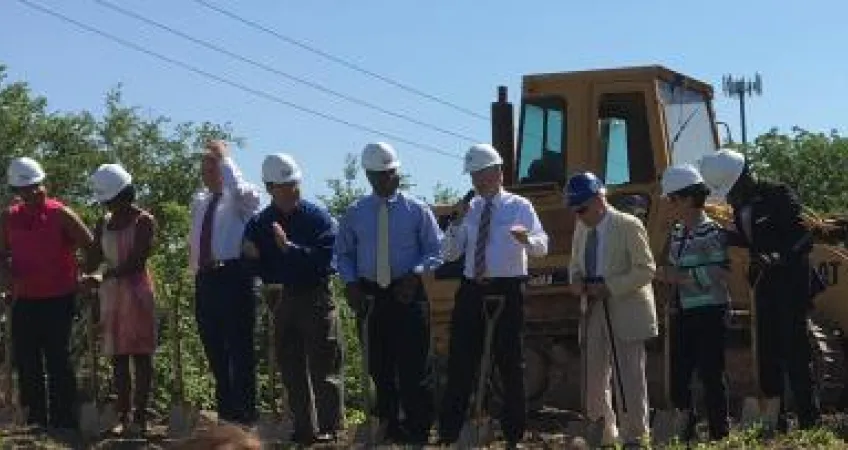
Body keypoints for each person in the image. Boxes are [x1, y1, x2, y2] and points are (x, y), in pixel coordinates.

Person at [699, 148, 822, 429]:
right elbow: (750, 238)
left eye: (732, 190)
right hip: (764, 285)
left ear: (744, 177)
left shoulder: (778, 195)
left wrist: (778, 257)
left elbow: (804, 236)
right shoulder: (741, 206)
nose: (730, 198)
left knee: (795, 350)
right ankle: (774, 417)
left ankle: (809, 419)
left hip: (791, 284)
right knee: (767, 351)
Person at [437, 143, 549, 447]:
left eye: (482, 174)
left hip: (508, 289)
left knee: (510, 362)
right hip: (472, 289)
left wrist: (526, 239)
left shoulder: (519, 206)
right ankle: (451, 431)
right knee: (461, 361)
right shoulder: (468, 209)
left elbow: (542, 246)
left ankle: (513, 432)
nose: (476, 181)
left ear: (498, 174)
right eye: (473, 175)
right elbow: (449, 253)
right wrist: (455, 222)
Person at [335, 142, 443, 444]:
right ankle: (389, 425)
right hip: (371, 297)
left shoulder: (417, 210)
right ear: (369, 176)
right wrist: (351, 283)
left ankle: (418, 430)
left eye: (392, 173)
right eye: (381, 175)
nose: (388, 179)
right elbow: (342, 253)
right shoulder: (355, 213)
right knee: (379, 368)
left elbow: (436, 250)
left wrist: (416, 274)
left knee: (413, 367)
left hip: (407, 295)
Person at [242, 153, 343, 445]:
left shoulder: (317, 218)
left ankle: (329, 428)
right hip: (282, 299)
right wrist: (251, 256)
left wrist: (289, 248)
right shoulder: (261, 222)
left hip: (315, 296)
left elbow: (326, 260)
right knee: (291, 368)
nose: (291, 190)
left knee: (324, 367)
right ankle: (303, 429)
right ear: (269, 187)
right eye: (283, 185)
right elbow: (253, 259)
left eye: (294, 183)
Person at [565, 171, 657, 448]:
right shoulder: (581, 227)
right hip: (592, 308)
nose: (579, 215)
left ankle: (636, 437)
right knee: (594, 377)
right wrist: (576, 280)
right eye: (574, 210)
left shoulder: (628, 225)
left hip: (625, 308)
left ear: (598, 200)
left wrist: (611, 286)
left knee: (629, 376)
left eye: (582, 208)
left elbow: (646, 269)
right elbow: (574, 263)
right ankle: (604, 434)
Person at [0, 156, 93, 429]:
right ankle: (35, 418)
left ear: (43, 184)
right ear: (17, 192)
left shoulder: (60, 213)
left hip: (59, 298)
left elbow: (90, 244)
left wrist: (89, 275)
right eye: (26, 188)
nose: (33, 192)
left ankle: (64, 418)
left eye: (36, 186)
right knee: (27, 359)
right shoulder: (7, 218)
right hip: (24, 300)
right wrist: (6, 279)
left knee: (58, 358)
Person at [656, 164, 730, 440]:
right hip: (683, 311)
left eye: (672, 200)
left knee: (711, 373)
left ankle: (718, 432)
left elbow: (721, 271)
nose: (669, 205)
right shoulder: (677, 233)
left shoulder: (711, 231)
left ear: (687, 199)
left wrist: (682, 278)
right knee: (680, 375)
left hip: (710, 310)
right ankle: (685, 428)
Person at [81, 163, 157, 434]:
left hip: (136, 294)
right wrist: (88, 273)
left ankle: (139, 416)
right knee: (118, 356)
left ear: (124, 194)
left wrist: (105, 274)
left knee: (140, 355)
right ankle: (122, 415)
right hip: (111, 294)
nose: (108, 205)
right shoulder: (103, 223)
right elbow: (93, 257)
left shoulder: (143, 221)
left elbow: (137, 262)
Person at [189, 140, 261, 425]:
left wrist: (226, 160)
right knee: (214, 345)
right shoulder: (201, 201)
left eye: (212, 168)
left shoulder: (242, 199)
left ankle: (246, 412)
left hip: (233, 276)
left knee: (239, 346)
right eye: (204, 169)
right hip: (206, 278)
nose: (206, 174)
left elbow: (240, 190)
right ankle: (227, 412)